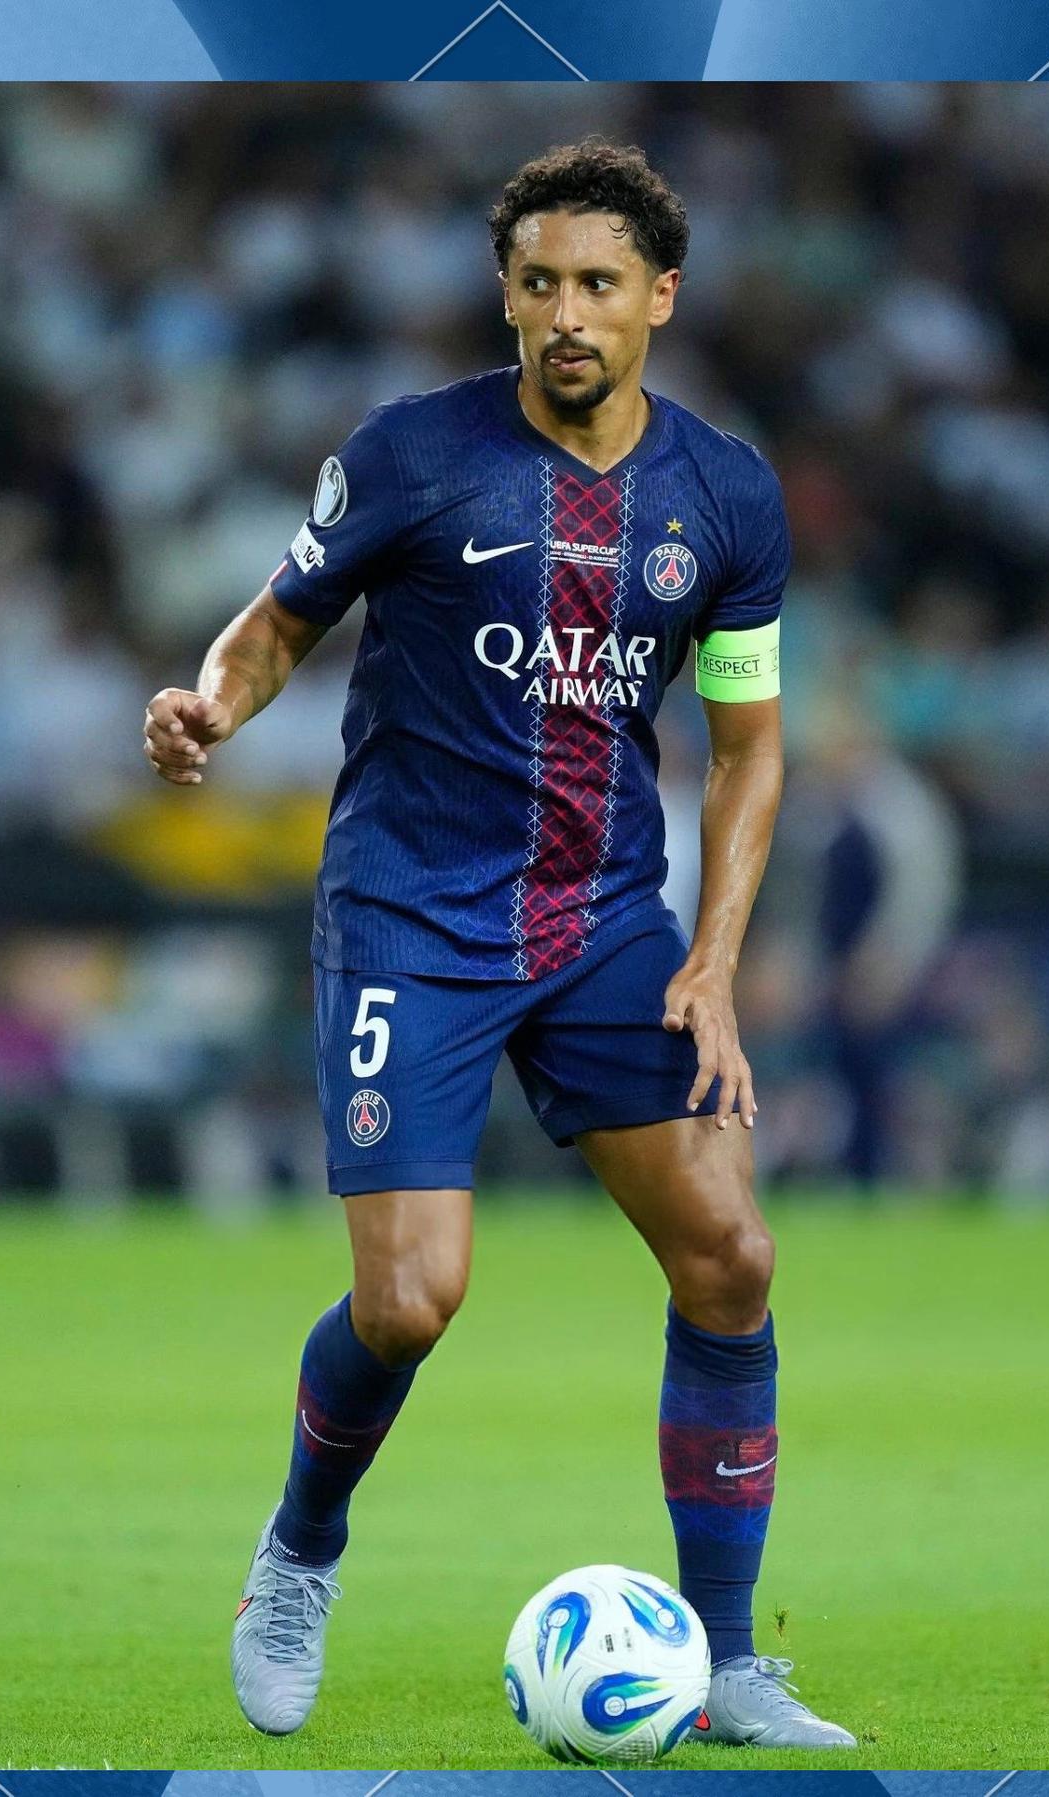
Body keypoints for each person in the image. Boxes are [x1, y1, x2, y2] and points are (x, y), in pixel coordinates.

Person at [142, 137, 855, 1752]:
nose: (566, 313)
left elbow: (749, 748)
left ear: (660, 296)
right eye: (538, 283)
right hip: (411, 911)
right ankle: (297, 1554)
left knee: (731, 1254)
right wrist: (210, 703)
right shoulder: (413, 454)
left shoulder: (724, 495)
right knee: (409, 1300)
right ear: (506, 295)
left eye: (598, 282)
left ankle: (729, 1658)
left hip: (604, 920)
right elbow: (278, 620)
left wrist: (709, 962)